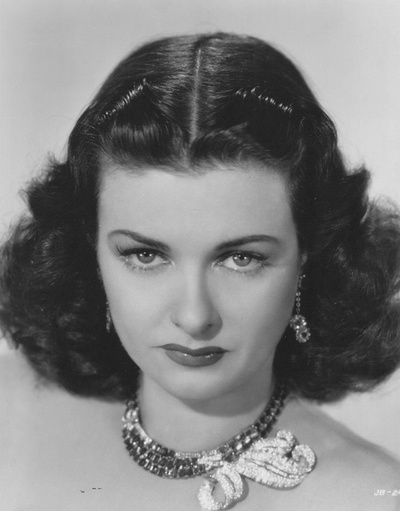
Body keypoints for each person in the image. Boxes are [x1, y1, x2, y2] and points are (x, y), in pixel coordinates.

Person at [1, 32, 400, 511]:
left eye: (241, 258)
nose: (194, 317)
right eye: (145, 255)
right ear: (91, 254)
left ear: (307, 258)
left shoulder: (370, 497)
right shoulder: (11, 413)